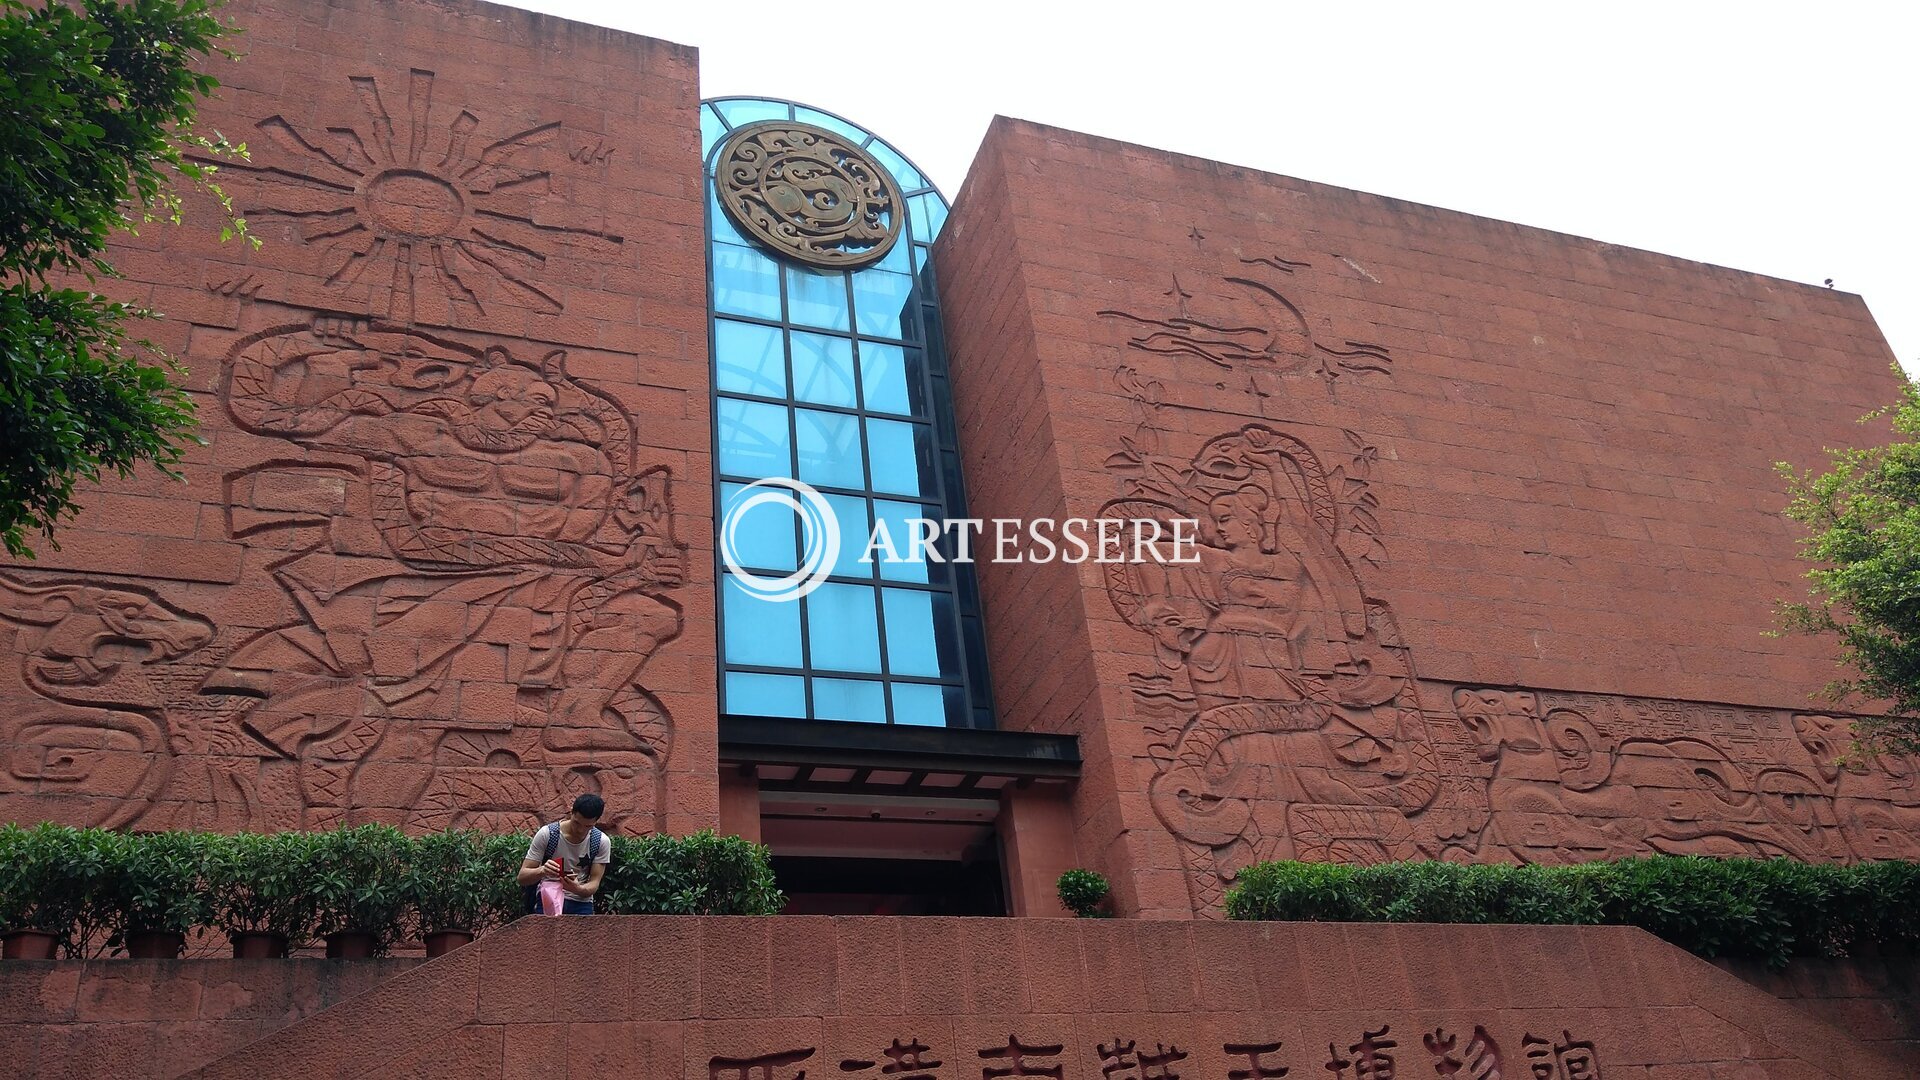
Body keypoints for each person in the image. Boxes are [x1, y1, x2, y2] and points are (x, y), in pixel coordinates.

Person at [517, 793, 611, 914]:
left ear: (596, 821)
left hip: (581, 903)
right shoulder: (548, 834)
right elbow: (522, 877)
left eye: (588, 826)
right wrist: (543, 870)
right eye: (577, 823)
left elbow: (594, 883)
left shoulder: (600, 841)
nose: (580, 830)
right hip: (548, 896)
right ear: (571, 812)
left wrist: (578, 888)